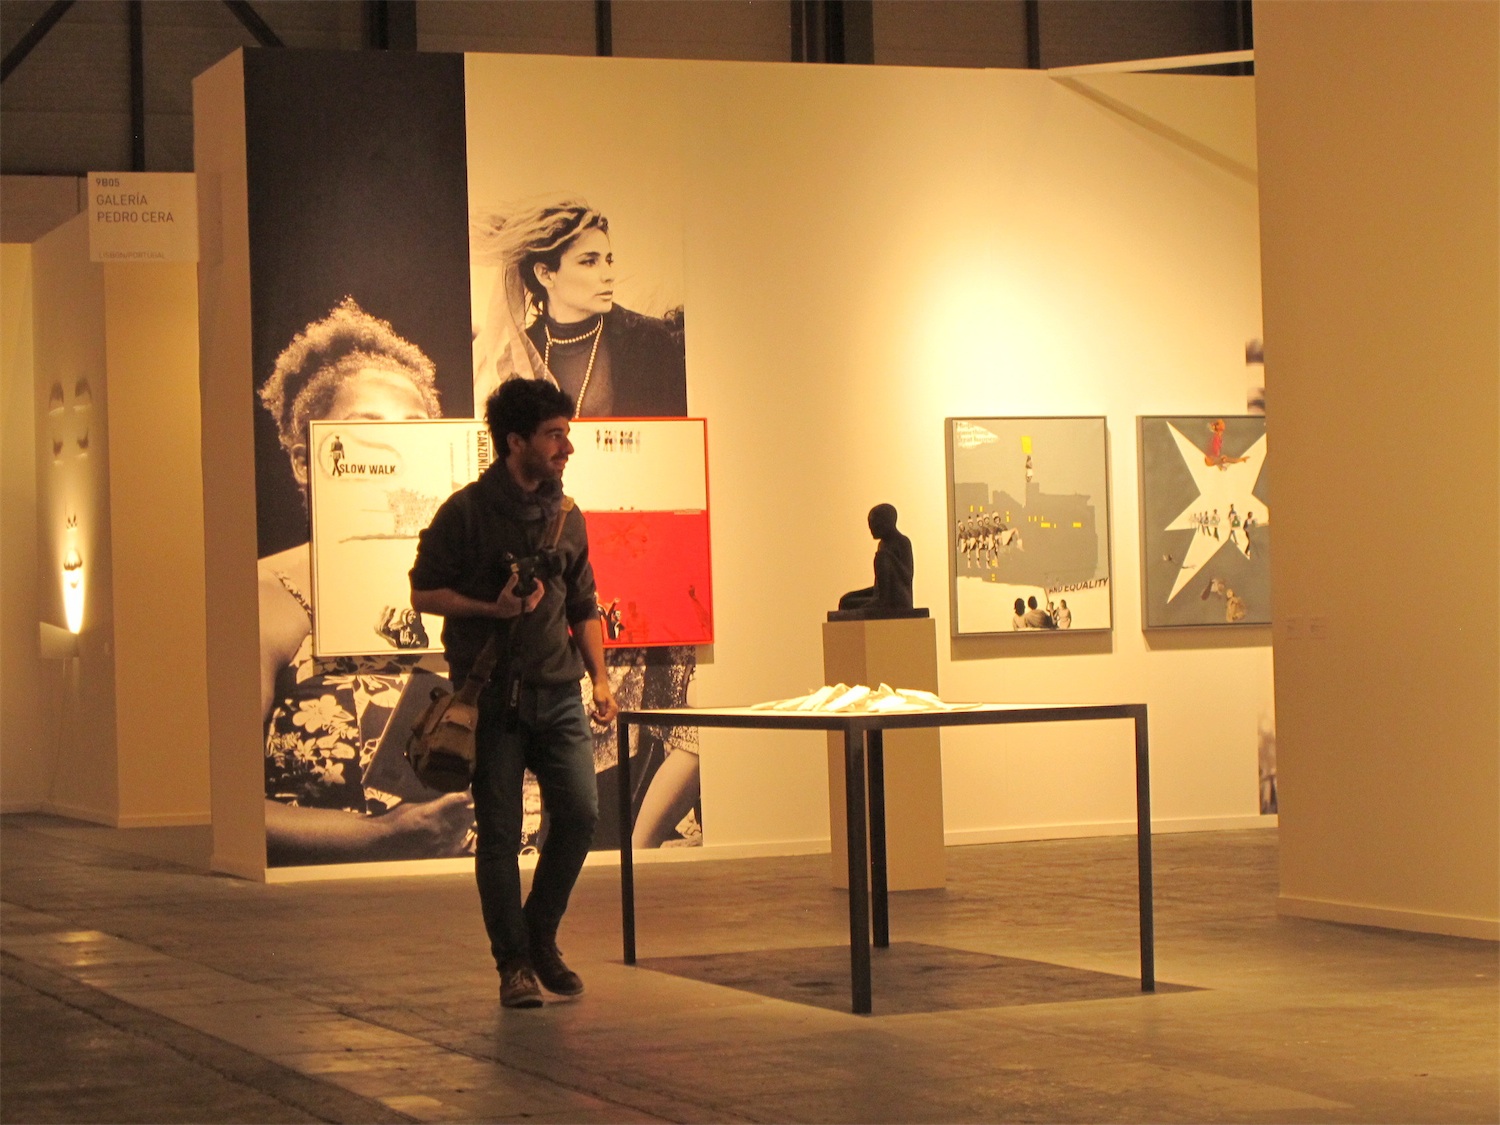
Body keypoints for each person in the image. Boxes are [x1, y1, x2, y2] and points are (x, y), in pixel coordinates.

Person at [409, 378, 618, 1009]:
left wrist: (600, 677)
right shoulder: (465, 512)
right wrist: (490, 609)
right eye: (554, 436)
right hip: (492, 701)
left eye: (566, 434)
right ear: (515, 441)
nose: (566, 448)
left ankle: (539, 936)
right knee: (500, 835)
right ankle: (514, 965)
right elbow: (423, 593)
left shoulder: (569, 517)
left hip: (559, 695)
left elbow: (582, 604)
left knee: (579, 816)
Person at [257, 297, 473, 865]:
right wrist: (381, 837)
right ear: (305, 460)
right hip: (327, 899)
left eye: (414, 431)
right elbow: (219, 800)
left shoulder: (479, 585)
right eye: (365, 431)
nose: (394, 451)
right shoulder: (266, 597)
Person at [470, 197, 686, 416]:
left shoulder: (648, 342)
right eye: (589, 261)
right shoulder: (520, 355)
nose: (609, 275)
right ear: (545, 274)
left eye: (608, 260)